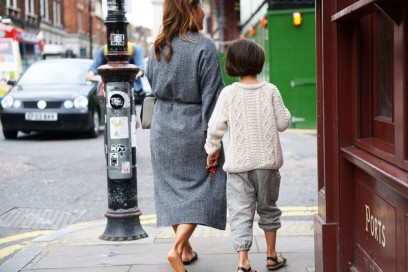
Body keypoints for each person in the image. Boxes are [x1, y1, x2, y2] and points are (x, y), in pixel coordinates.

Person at [145, 0, 227, 271]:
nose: (204, 12)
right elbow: (213, 99)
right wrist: (213, 144)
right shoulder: (203, 46)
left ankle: (187, 251)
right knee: (205, 188)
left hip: (162, 128)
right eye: (201, 6)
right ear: (191, 10)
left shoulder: (158, 47)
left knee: (171, 191)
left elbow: (152, 83)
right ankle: (177, 249)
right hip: (193, 129)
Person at [205, 39, 291, 272]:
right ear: (259, 62)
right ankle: (272, 257)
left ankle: (243, 262)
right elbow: (283, 122)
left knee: (240, 212)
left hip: (238, 166)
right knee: (268, 208)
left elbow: (215, 128)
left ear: (232, 64)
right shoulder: (271, 90)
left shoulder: (228, 93)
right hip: (268, 165)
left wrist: (211, 152)